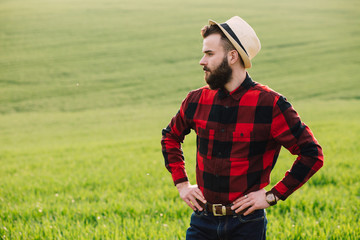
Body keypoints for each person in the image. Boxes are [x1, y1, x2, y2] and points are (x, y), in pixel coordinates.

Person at [161, 16, 324, 240]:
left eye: (209, 54)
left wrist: (272, 196)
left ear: (232, 56)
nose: (202, 61)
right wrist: (181, 184)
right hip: (202, 220)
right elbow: (170, 136)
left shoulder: (271, 104)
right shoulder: (196, 99)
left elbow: (312, 154)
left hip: (247, 225)